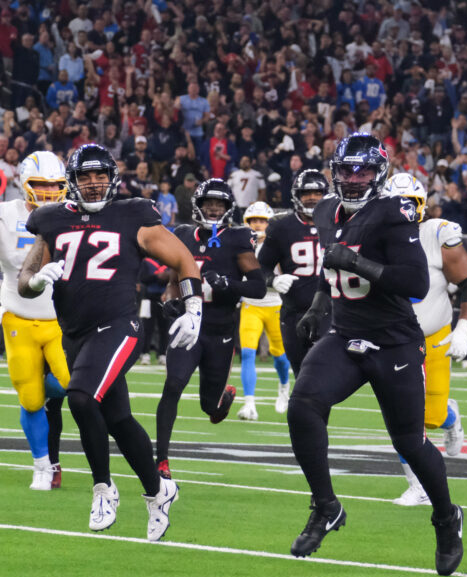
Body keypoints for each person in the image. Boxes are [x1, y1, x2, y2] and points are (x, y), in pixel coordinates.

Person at [286, 133, 464, 576]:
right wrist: (317, 308)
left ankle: (446, 517)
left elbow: (414, 284)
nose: (352, 178)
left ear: (379, 173)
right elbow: (332, 265)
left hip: (393, 341)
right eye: (345, 170)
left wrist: (358, 264)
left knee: (409, 442)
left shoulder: (393, 212)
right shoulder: (326, 209)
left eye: (362, 170)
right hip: (345, 335)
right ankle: (326, 506)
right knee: (303, 405)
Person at [19, 143, 203, 540]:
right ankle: (158, 492)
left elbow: (184, 259)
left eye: (100, 174)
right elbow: (26, 276)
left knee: (81, 397)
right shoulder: (51, 219)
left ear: (113, 178)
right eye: (84, 176)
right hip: (76, 334)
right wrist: (35, 282)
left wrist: (193, 308)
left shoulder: (133, 213)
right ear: (73, 181)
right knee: (118, 419)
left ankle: (103, 488)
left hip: (119, 326)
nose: (93, 182)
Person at [381, 173, 467, 507]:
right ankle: (417, 485)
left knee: (431, 416)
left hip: (434, 335)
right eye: (396, 204)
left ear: (421, 206)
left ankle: (450, 417)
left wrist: (464, 328)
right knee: (403, 419)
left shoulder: (436, 234)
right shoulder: (371, 235)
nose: (403, 211)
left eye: (410, 204)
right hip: (396, 340)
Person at [155, 179, 264, 479]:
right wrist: (171, 302)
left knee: (210, 408)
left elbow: (257, 287)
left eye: (219, 204)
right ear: (197, 207)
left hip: (219, 330)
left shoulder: (238, 238)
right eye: (208, 204)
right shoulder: (183, 235)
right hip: (189, 327)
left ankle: (222, 400)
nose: (213, 208)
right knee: (173, 386)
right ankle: (161, 460)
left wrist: (228, 283)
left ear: (229, 208)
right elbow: (174, 279)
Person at [0, 151, 69, 490]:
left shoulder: (71, 216)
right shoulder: (5, 214)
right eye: (39, 184)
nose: (47, 191)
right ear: (23, 184)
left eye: (55, 185)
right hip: (19, 316)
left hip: (59, 319)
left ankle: (38, 387)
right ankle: (42, 465)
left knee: (75, 383)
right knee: (29, 399)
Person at [257, 169, 331, 378]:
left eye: (317, 193)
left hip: (328, 312)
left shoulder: (337, 223)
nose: (312, 198)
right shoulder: (282, 227)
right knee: (301, 376)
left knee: (320, 375)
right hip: (293, 313)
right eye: (306, 193)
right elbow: (260, 267)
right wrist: (274, 279)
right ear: (296, 196)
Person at [236, 200, 291, 420]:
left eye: (262, 221)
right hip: (251, 305)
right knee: (248, 353)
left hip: (275, 304)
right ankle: (249, 403)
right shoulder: (241, 243)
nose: (258, 225)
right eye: (254, 220)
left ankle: (284, 387)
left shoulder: (278, 243)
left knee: (280, 356)